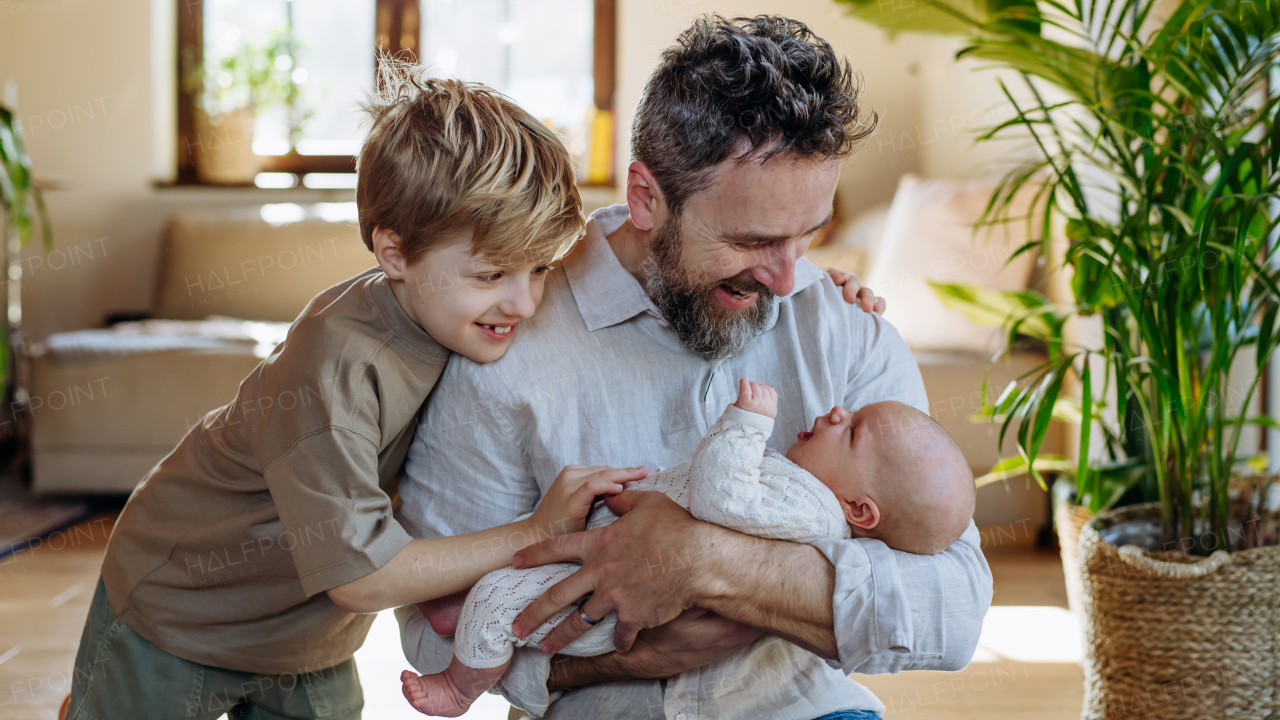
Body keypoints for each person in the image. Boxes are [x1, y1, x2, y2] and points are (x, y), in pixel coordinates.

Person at [396, 15, 993, 720]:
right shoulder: (505, 346)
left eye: (809, 234)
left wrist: (706, 564)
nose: (785, 279)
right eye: (751, 240)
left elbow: (951, 611)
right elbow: (432, 637)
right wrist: (649, 650)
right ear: (647, 196)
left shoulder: (842, 327)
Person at [62, 67, 650, 720]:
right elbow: (359, 575)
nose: (524, 301)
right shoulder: (337, 366)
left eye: (538, 268)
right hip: (182, 616)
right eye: (491, 273)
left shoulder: (450, 316)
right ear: (393, 254)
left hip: (306, 635)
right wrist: (535, 532)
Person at [400, 378, 976, 717]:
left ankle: (462, 679)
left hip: (791, 707)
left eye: (850, 429)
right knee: (533, 565)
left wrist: (745, 427)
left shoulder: (809, 506)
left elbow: (719, 493)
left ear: (859, 511)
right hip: (596, 608)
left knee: (518, 600)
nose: (833, 409)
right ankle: (470, 619)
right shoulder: (807, 492)